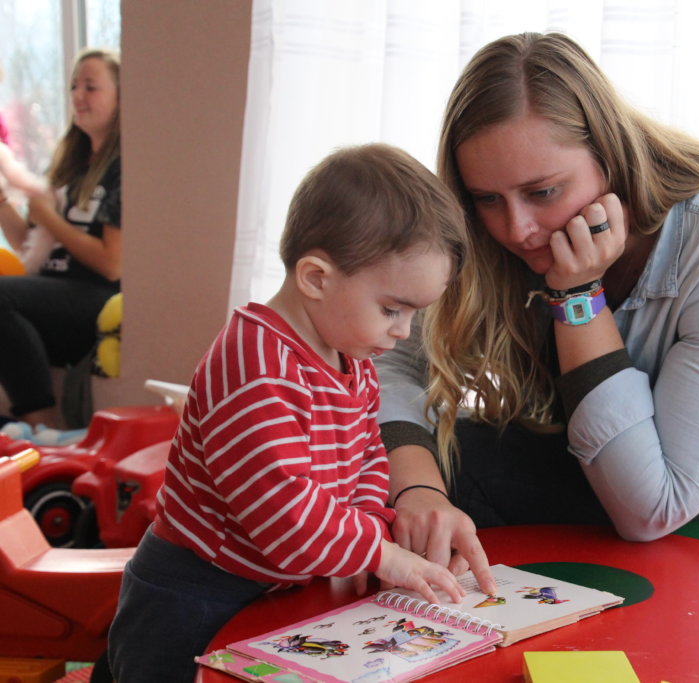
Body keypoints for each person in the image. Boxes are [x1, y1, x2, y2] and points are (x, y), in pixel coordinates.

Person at [375, 32, 699, 566]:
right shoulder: (498, 234)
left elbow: (653, 505)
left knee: (459, 469)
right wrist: (419, 490)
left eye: (543, 191)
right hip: (596, 478)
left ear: (610, 152)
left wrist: (577, 297)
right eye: (487, 199)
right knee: (376, 468)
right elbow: (389, 360)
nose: (518, 228)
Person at [107, 144, 493, 682]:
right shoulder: (253, 363)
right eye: (391, 309)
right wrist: (380, 555)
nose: (404, 332)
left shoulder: (350, 357)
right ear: (315, 277)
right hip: (192, 595)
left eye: (413, 314)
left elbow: (366, 459)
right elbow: (282, 510)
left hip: (271, 585)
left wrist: (369, 530)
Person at [0, 48, 121, 432]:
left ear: (121, 95)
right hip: (53, 292)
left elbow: (111, 263)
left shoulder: (124, 168)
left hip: (94, 295)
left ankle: (42, 427)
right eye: (72, 86)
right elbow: (28, 247)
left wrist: (50, 216)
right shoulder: (69, 164)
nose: (77, 96)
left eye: (91, 87)